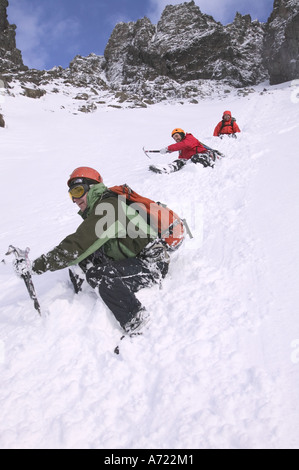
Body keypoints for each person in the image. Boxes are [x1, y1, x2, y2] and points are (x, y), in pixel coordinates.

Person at [13, 167, 171, 334]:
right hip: (134, 256)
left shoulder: (109, 208)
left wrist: (35, 266)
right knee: (84, 260)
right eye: (71, 194)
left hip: (153, 264)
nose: (75, 199)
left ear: (93, 188)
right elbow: (83, 244)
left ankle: (135, 319)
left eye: (78, 190)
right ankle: (82, 299)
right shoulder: (105, 206)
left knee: (99, 273)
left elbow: (78, 244)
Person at [149, 128, 216, 174]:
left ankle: (209, 165)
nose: (176, 138)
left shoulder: (189, 138)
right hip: (192, 160)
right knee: (180, 161)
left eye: (177, 136)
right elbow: (181, 157)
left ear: (181, 134)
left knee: (196, 157)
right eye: (174, 138)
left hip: (204, 155)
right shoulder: (181, 149)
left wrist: (168, 149)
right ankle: (167, 168)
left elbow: (183, 144)